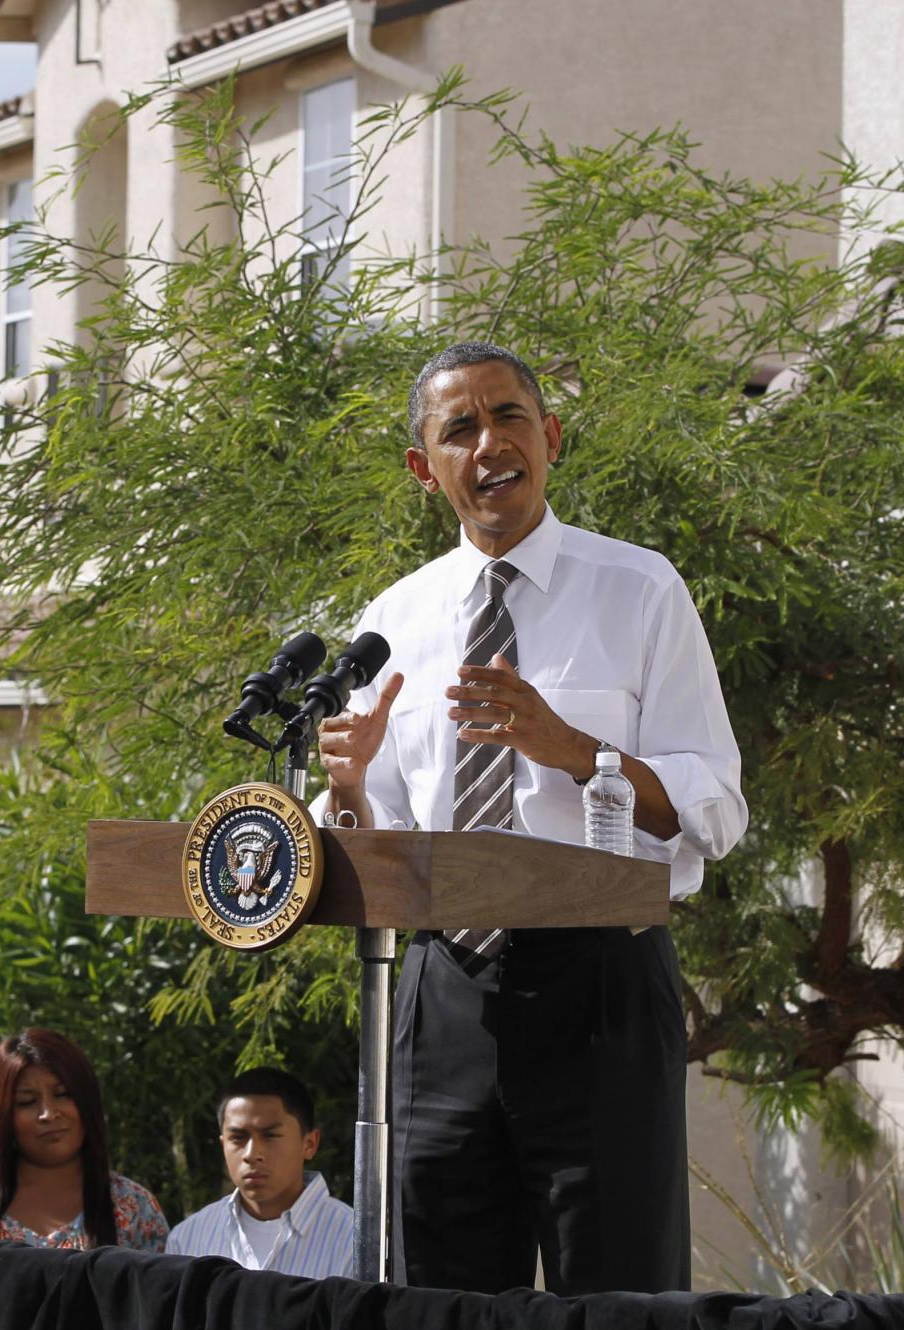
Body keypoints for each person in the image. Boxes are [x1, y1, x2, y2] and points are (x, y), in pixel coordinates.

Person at [315, 342, 746, 1295]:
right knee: (438, 1296)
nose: (490, 444)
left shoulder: (641, 591)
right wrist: (346, 788)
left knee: (620, 1297)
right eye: (459, 429)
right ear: (426, 469)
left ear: (549, 437)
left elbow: (715, 805)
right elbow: (370, 836)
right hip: (438, 993)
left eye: (509, 417)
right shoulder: (396, 619)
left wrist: (576, 751)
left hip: (596, 981)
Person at [0, 1028, 168, 1251]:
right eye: (27, 1102)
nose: (48, 1113)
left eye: (63, 1094)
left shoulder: (133, 1209)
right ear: (3, 1116)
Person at [166, 1067, 355, 1277]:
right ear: (223, 1144)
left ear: (309, 1144)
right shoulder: (187, 1239)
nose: (252, 1153)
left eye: (270, 1136)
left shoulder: (354, 1242)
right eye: (237, 1138)